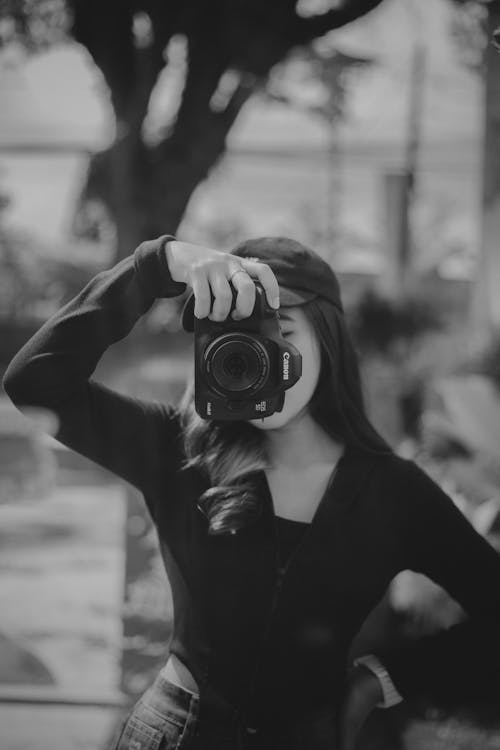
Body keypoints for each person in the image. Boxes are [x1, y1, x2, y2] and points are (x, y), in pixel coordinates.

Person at [3, 235, 500, 750]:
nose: (255, 357)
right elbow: (35, 382)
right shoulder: (180, 451)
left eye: (279, 333)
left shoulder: (393, 492)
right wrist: (155, 267)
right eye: (235, 342)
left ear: (326, 343)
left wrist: (380, 681)